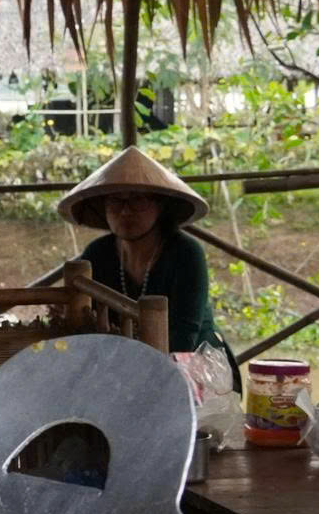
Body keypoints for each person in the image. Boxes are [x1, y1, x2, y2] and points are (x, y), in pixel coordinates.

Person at [59, 148, 224, 360]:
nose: (126, 211)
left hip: (195, 364)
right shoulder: (97, 253)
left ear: (160, 205)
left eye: (138, 200)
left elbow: (185, 335)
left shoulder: (186, 253)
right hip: (119, 363)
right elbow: (84, 322)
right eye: (115, 202)